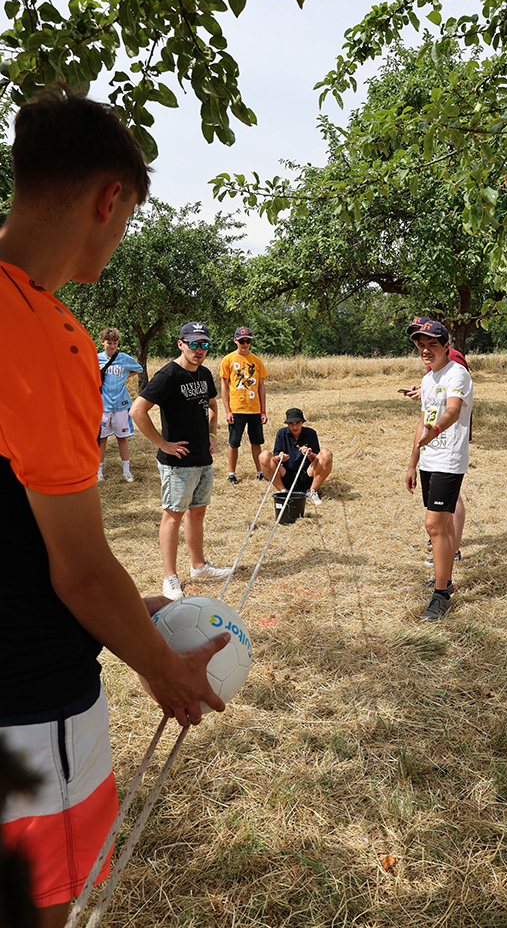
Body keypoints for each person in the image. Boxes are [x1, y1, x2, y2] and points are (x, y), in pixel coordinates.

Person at [0, 87, 231, 928]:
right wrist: (165, 669)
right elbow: (79, 573)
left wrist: (139, 610)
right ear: (110, 200)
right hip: (28, 705)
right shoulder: (38, 332)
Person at [130, 322, 232, 600]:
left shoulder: (204, 373)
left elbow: (212, 406)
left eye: (205, 345)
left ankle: (198, 566)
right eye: (194, 344)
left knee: (197, 512)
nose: (199, 351)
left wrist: (212, 433)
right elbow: (137, 411)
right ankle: (170, 577)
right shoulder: (168, 375)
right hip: (177, 463)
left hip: (202, 457)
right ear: (181, 344)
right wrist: (162, 443)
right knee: (173, 516)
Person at [405, 319, 473, 621]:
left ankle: (441, 594)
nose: (425, 350)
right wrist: (412, 460)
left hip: (449, 458)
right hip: (429, 459)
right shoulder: (429, 378)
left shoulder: (457, 373)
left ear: (447, 346)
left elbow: (453, 409)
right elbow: (422, 421)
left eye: (432, 344)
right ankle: (444, 579)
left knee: (433, 525)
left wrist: (436, 431)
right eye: (421, 345)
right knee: (442, 526)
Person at [219, 326, 268, 484]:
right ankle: (232, 474)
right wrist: (227, 411)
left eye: (247, 341)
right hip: (236, 409)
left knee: (256, 442)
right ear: (235, 341)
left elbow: (261, 387)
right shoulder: (228, 360)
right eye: (241, 341)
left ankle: (260, 472)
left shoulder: (257, 361)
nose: (244, 344)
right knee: (234, 442)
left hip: (254, 409)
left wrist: (263, 411)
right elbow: (224, 387)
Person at [259, 407, 333, 505]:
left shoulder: (311, 433)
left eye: (297, 423)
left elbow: (317, 460)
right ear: (287, 424)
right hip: (286, 475)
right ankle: (283, 492)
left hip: (307, 475)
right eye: (291, 424)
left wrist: (310, 454)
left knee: (326, 454)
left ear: (302, 422)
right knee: (264, 456)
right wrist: (280, 458)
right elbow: (275, 459)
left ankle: (312, 491)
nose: (295, 427)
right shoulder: (281, 434)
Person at [97, 327, 143, 482]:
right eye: (109, 343)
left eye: (115, 343)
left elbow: (139, 369)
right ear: (102, 342)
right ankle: (99, 472)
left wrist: (125, 377)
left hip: (121, 405)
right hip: (103, 406)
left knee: (122, 438)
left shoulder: (124, 358)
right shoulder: (96, 359)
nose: (112, 346)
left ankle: (126, 471)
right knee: (102, 439)